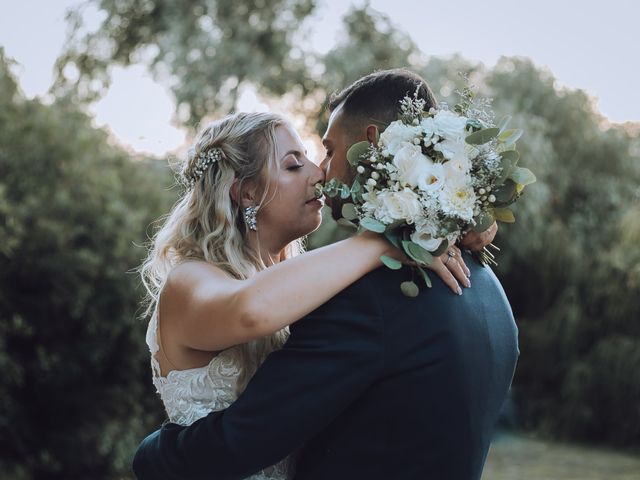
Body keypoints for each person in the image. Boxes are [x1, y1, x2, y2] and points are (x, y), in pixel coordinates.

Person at [133, 69, 517, 480]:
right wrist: (385, 240)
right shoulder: (190, 279)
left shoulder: (336, 288)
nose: (318, 173)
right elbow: (249, 312)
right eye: (294, 164)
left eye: (320, 155)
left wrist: (440, 225)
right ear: (246, 192)